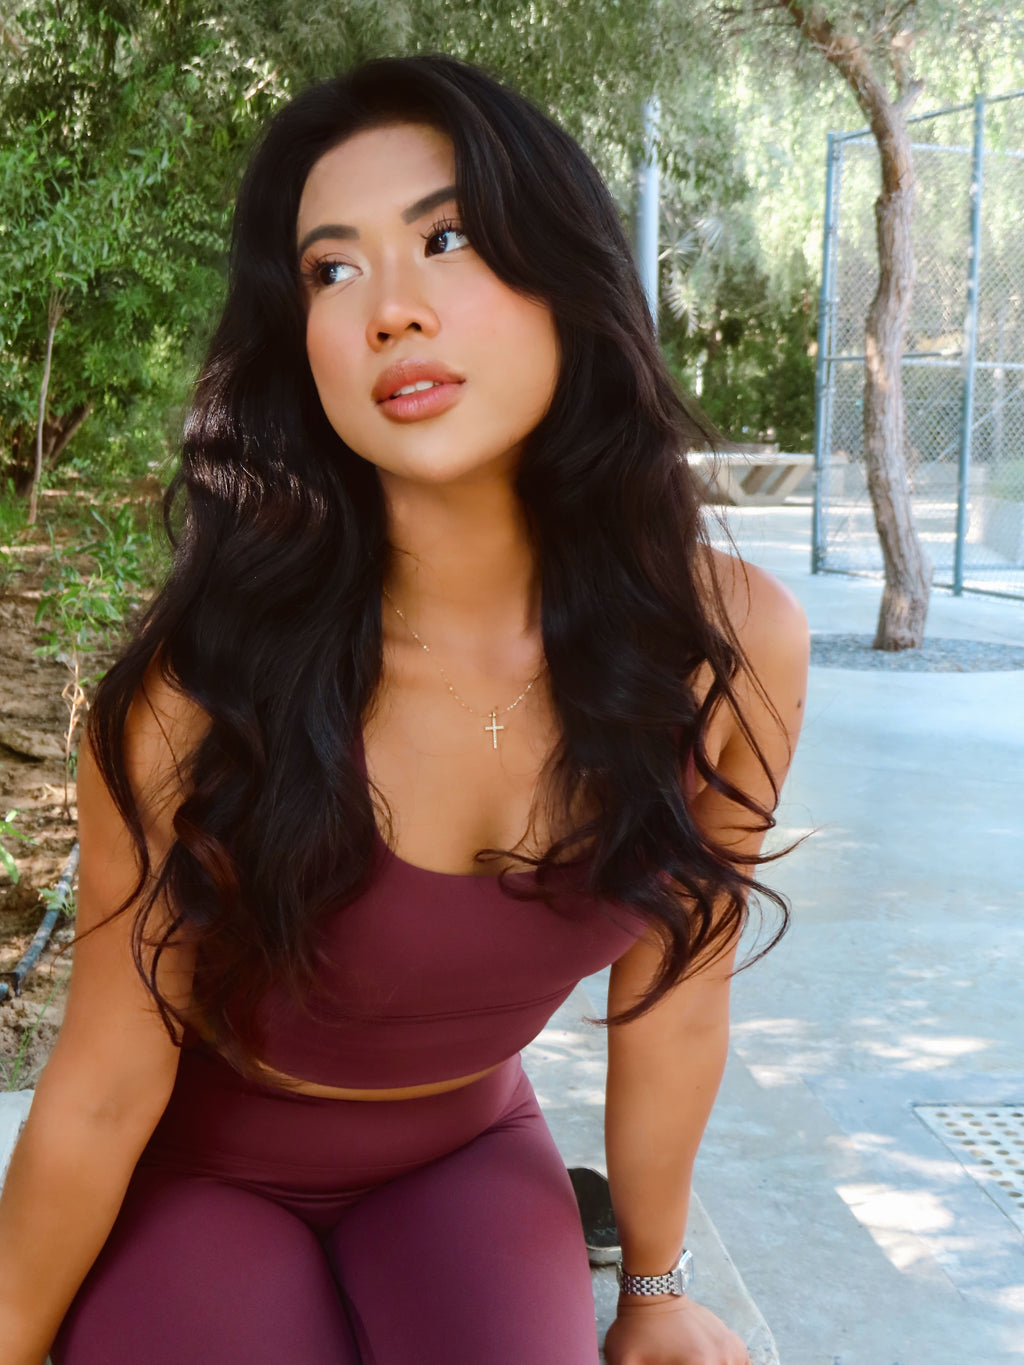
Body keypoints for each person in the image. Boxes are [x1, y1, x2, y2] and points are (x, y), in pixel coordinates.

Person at [0, 53, 809, 1365]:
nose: (390, 310)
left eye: (446, 238)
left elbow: (673, 1001)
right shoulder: (196, 691)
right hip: (199, 1171)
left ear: (565, 274)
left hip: (466, 1153)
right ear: (297, 343)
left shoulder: (732, 645)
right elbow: (97, 1089)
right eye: (332, 268)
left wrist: (655, 1291)